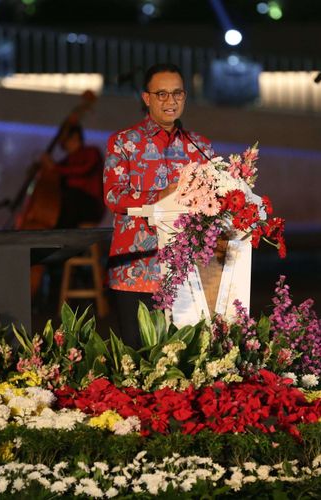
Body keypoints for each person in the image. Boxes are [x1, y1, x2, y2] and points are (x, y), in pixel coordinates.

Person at [103, 63, 214, 347]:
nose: (170, 101)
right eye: (161, 94)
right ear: (147, 98)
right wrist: (162, 195)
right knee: (139, 360)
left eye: (177, 93)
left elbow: (214, 200)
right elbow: (114, 195)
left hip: (186, 272)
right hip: (136, 269)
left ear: (185, 97)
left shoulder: (199, 146)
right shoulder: (124, 143)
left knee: (185, 360)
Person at [28, 125, 106, 298]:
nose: (66, 145)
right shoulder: (67, 159)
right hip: (73, 210)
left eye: (68, 141)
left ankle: (59, 246)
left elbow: (83, 170)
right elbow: (53, 172)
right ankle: (59, 251)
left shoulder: (91, 152)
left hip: (90, 206)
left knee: (71, 196)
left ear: (76, 138)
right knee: (68, 198)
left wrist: (54, 168)